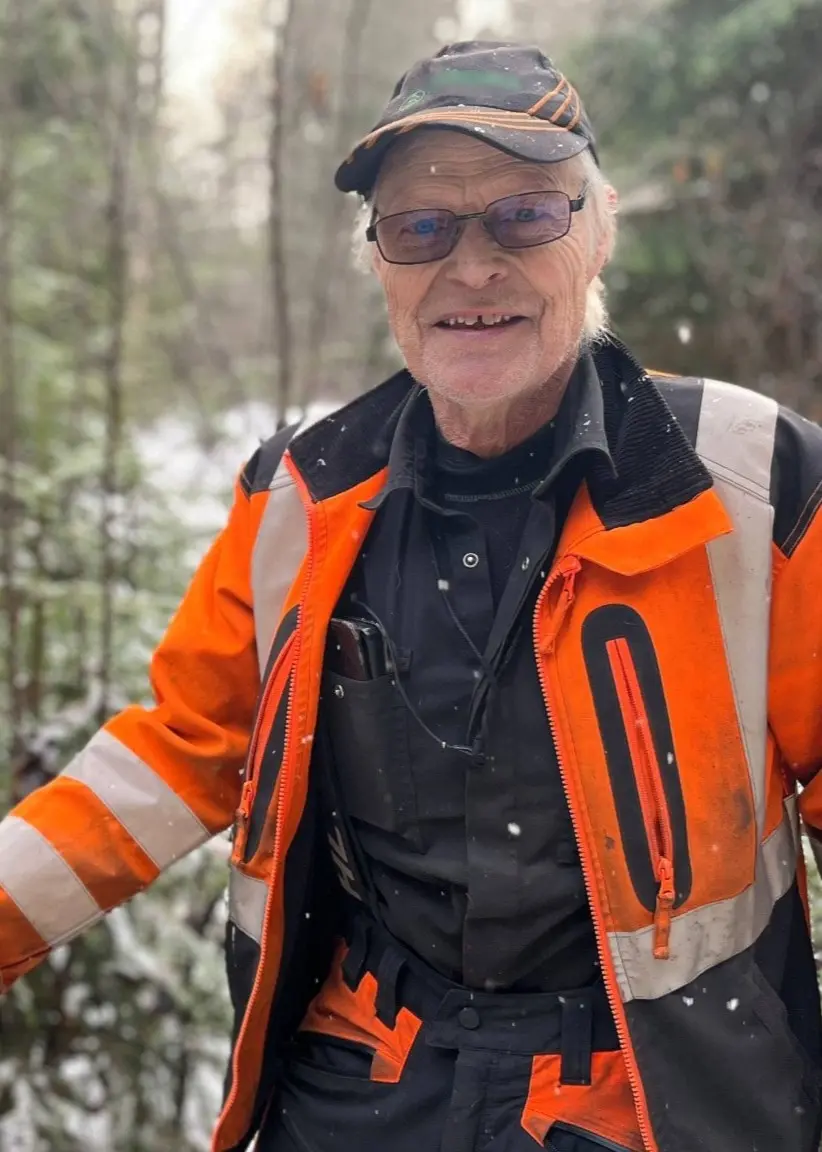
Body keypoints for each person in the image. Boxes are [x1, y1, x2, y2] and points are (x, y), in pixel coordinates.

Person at [1, 39, 821, 1152]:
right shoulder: (303, 497)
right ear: (380, 263)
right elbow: (178, 747)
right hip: (360, 1083)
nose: (470, 268)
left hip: (655, 1095)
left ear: (598, 229)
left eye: (525, 215)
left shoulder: (751, 485)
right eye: (420, 227)